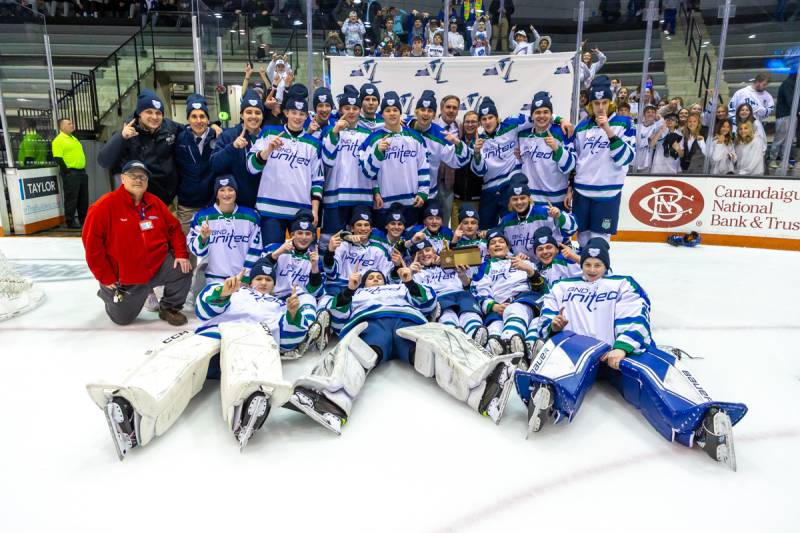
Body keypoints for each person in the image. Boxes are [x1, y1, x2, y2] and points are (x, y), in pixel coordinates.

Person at [516, 238, 748, 471]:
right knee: (563, 360)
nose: (592, 270)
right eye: (588, 264)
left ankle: (701, 423)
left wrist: (622, 347)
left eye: (598, 265)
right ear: (581, 264)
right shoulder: (562, 286)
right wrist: (555, 325)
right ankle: (547, 396)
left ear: (606, 265)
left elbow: (637, 317)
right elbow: (546, 316)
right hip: (579, 347)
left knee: (651, 371)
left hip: (617, 351)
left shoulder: (623, 283)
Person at [86, 257, 306, 459]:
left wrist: (293, 315)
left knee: (251, 356)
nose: (264, 283)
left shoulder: (280, 306)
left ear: (275, 285)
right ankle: (132, 405)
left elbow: (289, 340)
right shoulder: (236, 291)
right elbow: (203, 309)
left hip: (251, 338)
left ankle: (249, 401)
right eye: (259, 278)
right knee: (178, 356)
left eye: (269, 279)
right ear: (251, 281)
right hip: (216, 333)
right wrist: (222, 293)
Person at [289, 261, 517, 433]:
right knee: (358, 351)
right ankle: (330, 399)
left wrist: (409, 281)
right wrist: (349, 290)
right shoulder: (357, 293)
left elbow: (429, 304)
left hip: (407, 320)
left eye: (379, 277)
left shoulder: (400, 289)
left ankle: (481, 389)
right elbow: (338, 319)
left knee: (432, 348)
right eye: (372, 277)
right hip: (371, 322)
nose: (376, 279)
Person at [82, 160, 192, 326]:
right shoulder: (104, 206)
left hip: (156, 266)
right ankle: (108, 294)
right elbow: (92, 246)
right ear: (123, 178)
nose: (138, 180)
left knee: (183, 268)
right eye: (133, 176)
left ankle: (169, 308)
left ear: (147, 182)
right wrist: (105, 276)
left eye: (142, 177)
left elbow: (174, 229)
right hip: (127, 275)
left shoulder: (154, 203)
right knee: (122, 320)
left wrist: (181, 254)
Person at [247, 84, 324, 244]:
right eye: (294, 113)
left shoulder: (313, 143)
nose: (297, 117)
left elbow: (317, 180)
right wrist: (267, 150)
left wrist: (314, 211)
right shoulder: (269, 132)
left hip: (301, 210)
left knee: (300, 261)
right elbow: (251, 167)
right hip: (270, 209)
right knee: (271, 256)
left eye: (302, 114)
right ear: (286, 113)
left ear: (306, 117)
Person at [570, 76, 635, 247]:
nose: (600, 107)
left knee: (600, 238)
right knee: (582, 235)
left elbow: (626, 158)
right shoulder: (581, 127)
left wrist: (607, 129)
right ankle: (584, 267)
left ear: (611, 103)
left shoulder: (624, 123)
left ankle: (599, 267)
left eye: (604, 102)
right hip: (582, 191)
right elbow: (574, 161)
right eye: (596, 103)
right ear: (590, 105)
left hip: (608, 193)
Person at [97, 89, 182, 207]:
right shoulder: (127, 133)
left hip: (167, 200)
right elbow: (104, 161)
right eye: (149, 112)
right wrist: (121, 137)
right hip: (139, 201)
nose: (154, 117)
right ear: (139, 114)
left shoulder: (169, 127)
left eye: (158, 113)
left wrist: (214, 125)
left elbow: (192, 128)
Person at [359, 91, 431, 225]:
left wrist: (423, 193)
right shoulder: (373, 139)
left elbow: (423, 167)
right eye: (387, 110)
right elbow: (367, 173)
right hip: (384, 203)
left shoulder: (415, 137)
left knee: (409, 241)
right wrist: (378, 152)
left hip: (411, 201)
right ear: (382, 114)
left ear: (400, 113)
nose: (392, 113)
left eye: (395, 110)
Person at [262, 210, 328, 355]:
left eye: (308, 234)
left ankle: (309, 333)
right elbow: (259, 270)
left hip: (300, 299)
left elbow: (316, 292)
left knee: (309, 299)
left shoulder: (314, 257)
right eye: (299, 233)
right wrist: (278, 253)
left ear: (312, 237)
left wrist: (315, 267)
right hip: (275, 298)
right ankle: (295, 340)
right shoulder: (274, 248)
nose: (303, 237)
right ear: (292, 234)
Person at [473, 228, 545, 356]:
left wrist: (530, 271)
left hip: (523, 300)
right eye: (493, 243)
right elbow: (479, 289)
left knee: (517, 311)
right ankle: (501, 361)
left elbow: (540, 287)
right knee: (493, 330)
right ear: (488, 250)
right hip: (498, 306)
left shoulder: (524, 261)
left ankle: (516, 347)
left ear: (508, 247)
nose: (497, 244)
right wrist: (493, 306)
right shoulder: (485, 266)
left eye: (501, 241)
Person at [320, 85, 375, 249]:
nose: (351, 112)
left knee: (360, 241)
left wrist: (376, 191)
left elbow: (373, 168)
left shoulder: (368, 135)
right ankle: (327, 272)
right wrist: (335, 132)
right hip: (334, 196)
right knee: (331, 240)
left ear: (360, 111)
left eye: (355, 108)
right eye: (346, 108)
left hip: (362, 196)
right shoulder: (329, 131)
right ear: (340, 109)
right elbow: (327, 159)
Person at [408, 239, 487, 344]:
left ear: (434, 251)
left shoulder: (450, 261)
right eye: (420, 253)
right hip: (439, 298)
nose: (425, 254)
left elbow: (467, 285)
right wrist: (410, 274)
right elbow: (410, 294)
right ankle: (453, 334)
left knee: (469, 312)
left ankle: (475, 333)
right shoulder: (416, 273)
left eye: (427, 250)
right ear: (414, 258)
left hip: (462, 294)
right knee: (447, 314)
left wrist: (461, 273)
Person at [186, 175, 262, 283]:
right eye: (222, 190)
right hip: (213, 280)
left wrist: (246, 276)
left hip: (243, 280)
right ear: (216, 194)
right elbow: (198, 252)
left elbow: (256, 249)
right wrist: (202, 238)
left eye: (230, 189)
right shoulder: (201, 217)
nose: (226, 194)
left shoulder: (251, 216)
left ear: (236, 192)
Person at [407, 90, 472, 202]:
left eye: (430, 111)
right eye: (422, 110)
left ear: (434, 114)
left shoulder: (441, 136)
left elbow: (459, 161)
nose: (426, 113)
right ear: (416, 112)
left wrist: (458, 143)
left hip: (429, 194)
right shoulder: (402, 128)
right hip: (404, 193)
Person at [470, 97, 524, 229]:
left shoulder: (511, 125)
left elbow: (536, 116)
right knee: (485, 229)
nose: (488, 122)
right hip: (489, 190)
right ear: (480, 122)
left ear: (497, 117)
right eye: (484, 119)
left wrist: (560, 120)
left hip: (510, 184)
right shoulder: (478, 141)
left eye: (490, 117)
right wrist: (476, 152)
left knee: (513, 226)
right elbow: (479, 171)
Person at [516, 92, 576, 208]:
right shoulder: (522, 135)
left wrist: (557, 149)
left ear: (551, 114)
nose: (541, 116)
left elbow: (571, 166)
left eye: (545, 112)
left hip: (557, 199)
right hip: (531, 199)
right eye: (537, 112)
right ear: (532, 116)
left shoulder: (562, 132)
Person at [210, 91, 265, 210]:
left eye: (258, 112)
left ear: (262, 116)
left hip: (264, 204)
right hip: (236, 206)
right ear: (241, 115)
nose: (253, 116)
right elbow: (214, 165)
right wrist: (232, 147)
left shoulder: (268, 137)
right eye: (248, 112)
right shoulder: (228, 135)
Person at [175, 94, 218, 236]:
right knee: (188, 246)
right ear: (188, 119)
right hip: (187, 205)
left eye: (202, 116)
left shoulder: (218, 137)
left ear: (208, 119)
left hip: (212, 204)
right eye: (194, 116)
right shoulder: (179, 139)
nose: (199, 121)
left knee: (213, 246)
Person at [499, 176, 577, 254]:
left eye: (523, 198)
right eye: (515, 199)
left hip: (553, 262)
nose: (519, 202)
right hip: (522, 264)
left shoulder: (546, 212)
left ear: (529, 198)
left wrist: (560, 217)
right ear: (510, 201)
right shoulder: (506, 221)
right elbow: (498, 242)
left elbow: (573, 228)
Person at [52, 118, 88, 229]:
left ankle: (84, 220)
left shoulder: (74, 138)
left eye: (72, 123)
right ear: (61, 126)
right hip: (71, 173)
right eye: (69, 123)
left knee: (83, 198)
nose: (72, 125)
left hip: (81, 172)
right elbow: (58, 158)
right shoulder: (58, 140)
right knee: (72, 198)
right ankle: (70, 221)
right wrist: (67, 172)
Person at [451, 111, 482, 227]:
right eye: (467, 122)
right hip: (457, 198)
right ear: (463, 124)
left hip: (477, 198)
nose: (470, 124)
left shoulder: (483, 142)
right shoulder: (457, 142)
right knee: (456, 233)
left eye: (473, 122)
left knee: (473, 233)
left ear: (479, 124)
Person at [436, 95, 462, 225]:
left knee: (444, 220)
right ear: (441, 108)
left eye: (454, 108)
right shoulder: (431, 124)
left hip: (449, 184)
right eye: (448, 107)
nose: (451, 110)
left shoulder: (460, 126)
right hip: (430, 182)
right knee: (427, 217)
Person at [769, 73, 798, 169]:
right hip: (784, 115)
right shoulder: (787, 84)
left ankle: (784, 160)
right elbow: (791, 101)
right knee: (780, 139)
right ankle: (772, 159)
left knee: (788, 140)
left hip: (792, 115)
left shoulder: (794, 84)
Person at [634, 104, 663, 172]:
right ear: (644, 115)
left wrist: (660, 117)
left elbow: (664, 125)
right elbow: (637, 143)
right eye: (648, 112)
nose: (650, 114)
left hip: (646, 163)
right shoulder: (636, 126)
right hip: (632, 162)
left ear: (656, 115)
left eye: (653, 112)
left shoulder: (657, 127)